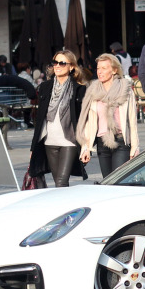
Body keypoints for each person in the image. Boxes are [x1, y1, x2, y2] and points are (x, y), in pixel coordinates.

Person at [28, 49, 89, 187]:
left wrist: (86, 146)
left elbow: (84, 120)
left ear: (71, 66)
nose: (57, 66)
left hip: (69, 140)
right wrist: (33, 148)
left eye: (62, 63)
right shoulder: (45, 87)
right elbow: (39, 120)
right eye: (55, 62)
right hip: (49, 140)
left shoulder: (79, 89)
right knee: (58, 183)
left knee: (61, 181)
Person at [79, 53, 141, 177]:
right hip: (102, 143)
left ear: (114, 70)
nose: (99, 72)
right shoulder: (93, 91)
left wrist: (135, 146)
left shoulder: (126, 90)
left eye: (104, 68)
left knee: (118, 181)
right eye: (98, 68)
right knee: (107, 182)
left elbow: (132, 121)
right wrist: (85, 147)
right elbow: (89, 123)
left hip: (121, 141)